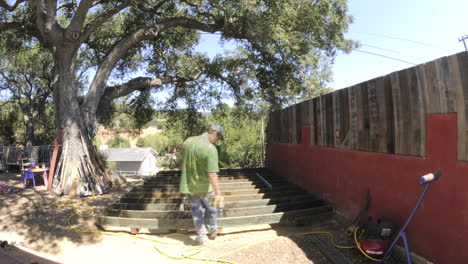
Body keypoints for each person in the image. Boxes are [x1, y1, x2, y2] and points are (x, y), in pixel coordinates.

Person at [179, 123, 225, 246]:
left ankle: (201, 237)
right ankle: (213, 230)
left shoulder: (188, 141)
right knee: (212, 209)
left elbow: (183, 165)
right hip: (207, 188)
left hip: (191, 187)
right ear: (214, 134)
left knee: (197, 212)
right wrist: (219, 194)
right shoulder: (210, 149)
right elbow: (212, 174)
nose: (217, 141)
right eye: (218, 138)